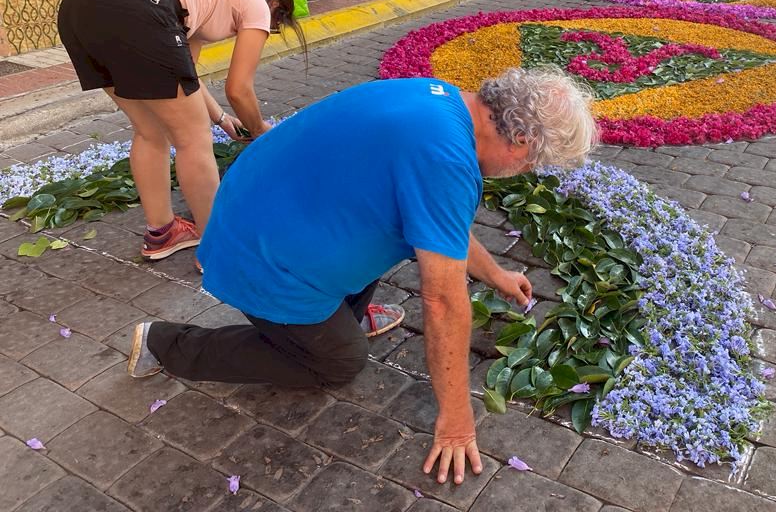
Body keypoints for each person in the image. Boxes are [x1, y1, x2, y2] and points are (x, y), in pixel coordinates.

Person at [126, 67, 598, 486]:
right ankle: (165, 344)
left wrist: (494, 273)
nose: (524, 172)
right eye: (533, 163)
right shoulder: (448, 158)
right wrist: (457, 419)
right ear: (519, 140)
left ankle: (335, 319)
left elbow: (441, 223)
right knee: (338, 363)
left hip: (265, 214)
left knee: (400, 235)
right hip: (259, 257)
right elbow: (442, 300)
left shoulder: (443, 100)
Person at [57, 0, 305, 264]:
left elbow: (185, 77)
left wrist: (221, 119)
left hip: (80, 4)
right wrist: (259, 130)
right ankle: (218, 251)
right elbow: (239, 89)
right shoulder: (255, 1)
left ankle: (162, 232)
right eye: (273, 26)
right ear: (274, 5)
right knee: (193, 138)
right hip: (142, 0)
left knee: (150, 129)